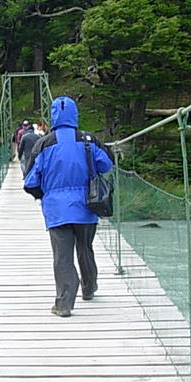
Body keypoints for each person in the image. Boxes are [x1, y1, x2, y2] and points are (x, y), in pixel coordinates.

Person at [23, 96, 113, 317]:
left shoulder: (44, 143)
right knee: (85, 248)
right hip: (87, 205)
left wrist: (45, 194)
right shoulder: (88, 140)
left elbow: (30, 182)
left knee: (62, 257)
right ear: (75, 114)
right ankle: (89, 288)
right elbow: (107, 163)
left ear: (54, 115)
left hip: (56, 210)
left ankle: (64, 305)